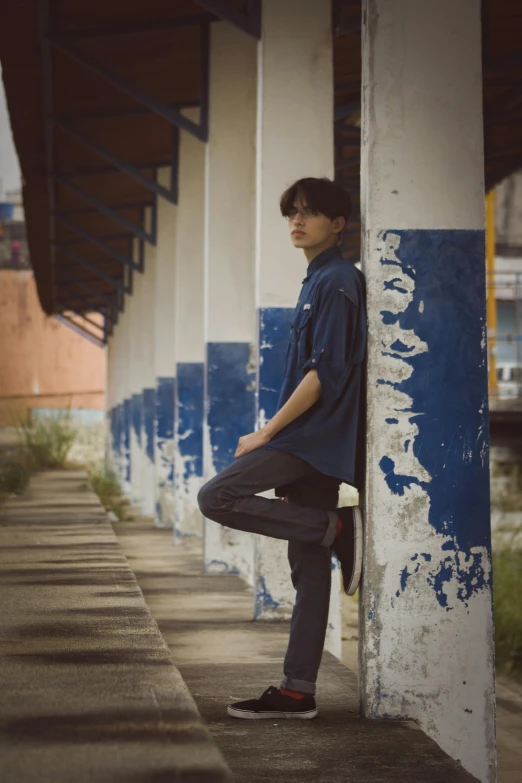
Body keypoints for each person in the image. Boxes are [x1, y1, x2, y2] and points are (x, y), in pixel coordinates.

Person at [198, 176, 367, 720]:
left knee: (216, 496)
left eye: (311, 212)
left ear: (338, 224)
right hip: (309, 440)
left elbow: (326, 374)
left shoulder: (338, 280)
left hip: (312, 440)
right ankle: (298, 691)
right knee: (309, 567)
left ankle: (340, 528)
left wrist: (267, 433)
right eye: (292, 212)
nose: (297, 220)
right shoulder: (317, 279)